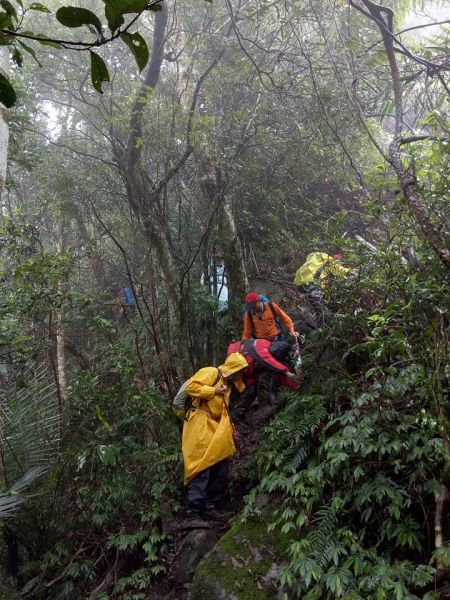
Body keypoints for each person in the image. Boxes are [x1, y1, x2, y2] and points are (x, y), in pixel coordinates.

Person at [182, 352, 248, 527]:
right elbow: (191, 388)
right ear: (233, 369)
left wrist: (232, 430)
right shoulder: (212, 372)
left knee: (221, 465)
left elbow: (223, 411)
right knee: (202, 467)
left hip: (214, 429)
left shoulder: (227, 386)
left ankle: (211, 506)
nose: (241, 375)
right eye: (240, 371)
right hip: (199, 426)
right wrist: (212, 391)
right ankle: (193, 514)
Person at [226, 339, 300, 417]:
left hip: (247, 369)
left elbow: (279, 372)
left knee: (252, 390)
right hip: (236, 365)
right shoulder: (262, 346)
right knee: (235, 389)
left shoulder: (270, 355)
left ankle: (237, 413)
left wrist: (296, 386)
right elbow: (268, 360)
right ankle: (230, 411)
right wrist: (287, 372)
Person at [294, 252, 350, 327]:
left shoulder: (315, 259)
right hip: (311, 285)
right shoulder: (324, 258)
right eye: (340, 256)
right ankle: (322, 326)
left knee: (319, 308)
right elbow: (339, 269)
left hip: (302, 285)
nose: (340, 258)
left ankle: (317, 324)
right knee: (321, 310)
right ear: (335, 254)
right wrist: (351, 270)